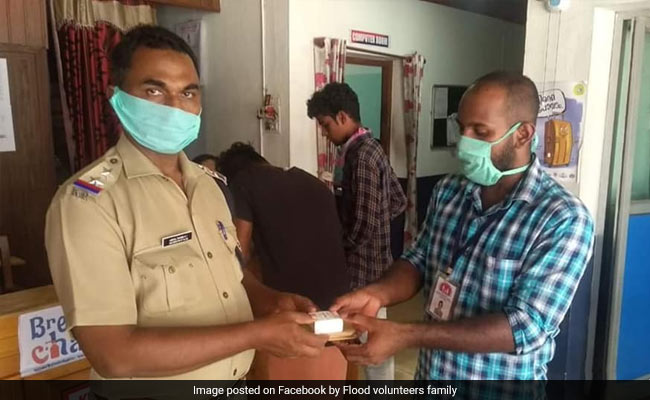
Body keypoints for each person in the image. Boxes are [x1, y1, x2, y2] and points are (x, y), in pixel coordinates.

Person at [44, 25, 326, 390]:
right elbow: (113, 354)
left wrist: (271, 302)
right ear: (117, 97)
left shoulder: (210, 186)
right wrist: (258, 334)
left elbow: (232, 275)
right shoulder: (88, 203)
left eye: (188, 92)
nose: (176, 106)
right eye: (154, 90)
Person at [331, 71, 595, 383]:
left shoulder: (562, 218)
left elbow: (526, 327)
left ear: (522, 134)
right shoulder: (449, 190)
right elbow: (418, 260)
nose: (464, 143)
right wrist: (377, 294)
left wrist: (406, 334)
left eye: (480, 132)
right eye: (462, 128)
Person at [217, 142, 350, 380]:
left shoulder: (243, 182)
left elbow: (238, 256)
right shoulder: (314, 183)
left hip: (289, 312)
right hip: (336, 312)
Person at [307, 82, 406, 380]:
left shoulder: (361, 156)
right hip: (375, 263)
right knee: (370, 339)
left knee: (370, 343)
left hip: (364, 269)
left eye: (325, 125)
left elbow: (362, 225)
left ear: (342, 117)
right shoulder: (367, 148)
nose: (324, 133)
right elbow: (398, 200)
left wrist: (339, 249)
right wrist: (379, 223)